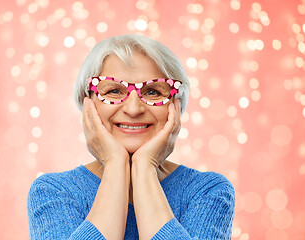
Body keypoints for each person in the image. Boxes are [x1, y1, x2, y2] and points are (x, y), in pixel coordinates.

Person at [27, 34, 235, 239]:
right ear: (87, 103)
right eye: (114, 91)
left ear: (176, 104)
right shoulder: (53, 192)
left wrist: (145, 167)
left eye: (153, 91)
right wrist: (115, 164)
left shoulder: (208, 192)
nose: (134, 109)